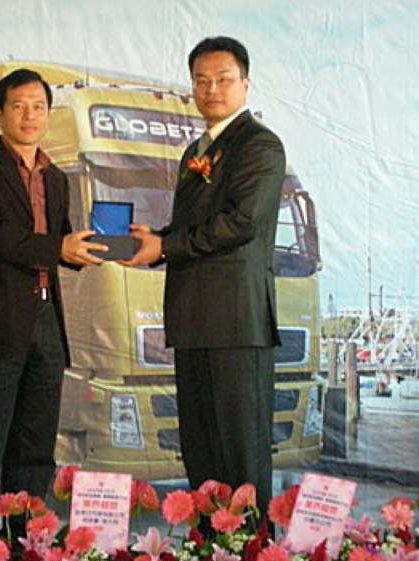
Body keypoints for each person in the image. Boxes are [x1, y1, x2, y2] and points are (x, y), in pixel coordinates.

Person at [122, 36, 286, 513]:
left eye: (224, 79)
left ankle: (252, 555)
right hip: (194, 320)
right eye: (202, 81)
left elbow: (240, 224)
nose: (212, 89)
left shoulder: (260, 145)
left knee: (240, 457)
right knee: (203, 456)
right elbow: (197, 226)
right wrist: (155, 240)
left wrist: (165, 245)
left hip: (236, 322)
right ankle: (209, 553)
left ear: (246, 84)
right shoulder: (198, 149)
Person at [0, 68, 106, 534]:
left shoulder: (55, 177)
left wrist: (93, 247)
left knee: (36, 451)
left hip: (46, 319)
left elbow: (58, 241)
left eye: (38, 106)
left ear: (49, 114)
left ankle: (26, 550)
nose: (29, 115)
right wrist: (59, 248)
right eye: (18, 106)